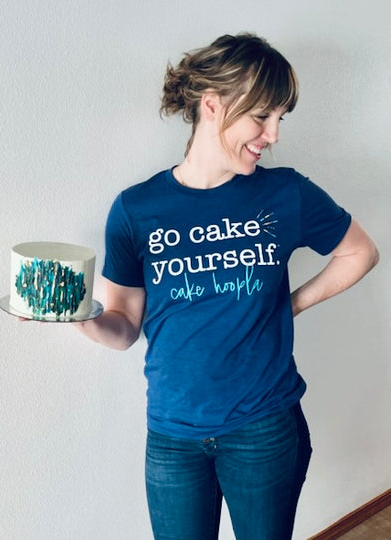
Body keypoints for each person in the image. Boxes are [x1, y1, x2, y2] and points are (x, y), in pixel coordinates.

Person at [76, 33, 379, 540]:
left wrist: (291, 304)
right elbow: (125, 326)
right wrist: (79, 318)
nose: (274, 134)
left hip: (263, 427)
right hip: (173, 437)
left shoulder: (285, 194)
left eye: (281, 117)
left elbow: (361, 252)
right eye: (262, 116)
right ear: (212, 105)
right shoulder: (135, 209)